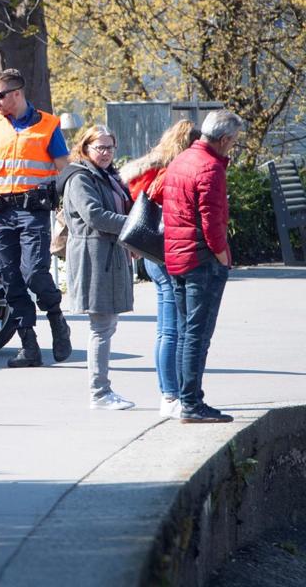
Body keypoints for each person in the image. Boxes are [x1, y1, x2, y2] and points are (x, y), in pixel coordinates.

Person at [0, 68, 72, 368]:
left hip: (32, 210)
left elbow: (66, 169)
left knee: (34, 272)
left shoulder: (48, 126)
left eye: (0, 95)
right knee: (9, 278)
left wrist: (68, 203)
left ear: (17, 94)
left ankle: (56, 318)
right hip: (0, 212)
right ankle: (29, 345)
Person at [161, 110, 243, 424]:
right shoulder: (210, 168)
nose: (232, 146)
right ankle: (192, 404)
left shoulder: (181, 160)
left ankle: (187, 400)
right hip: (201, 260)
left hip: (177, 257)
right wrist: (222, 254)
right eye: (233, 141)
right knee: (198, 335)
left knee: (185, 333)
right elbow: (212, 222)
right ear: (223, 139)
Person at [119, 120, 200, 418]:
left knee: (168, 328)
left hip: (151, 251)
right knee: (173, 328)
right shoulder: (179, 170)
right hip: (171, 251)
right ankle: (170, 394)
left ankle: (170, 392)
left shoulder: (148, 168)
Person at [59, 125, 135, 410]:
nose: (105, 153)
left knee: (107, 325)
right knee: (101, 327)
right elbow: (94, 215)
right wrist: (134, 227)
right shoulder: (80, 177)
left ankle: (102, 391)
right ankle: (100, 393)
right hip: (93, 256)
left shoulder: (108, 176)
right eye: (99, 147)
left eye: (110, 147)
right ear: (85, 148)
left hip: (109, 255)